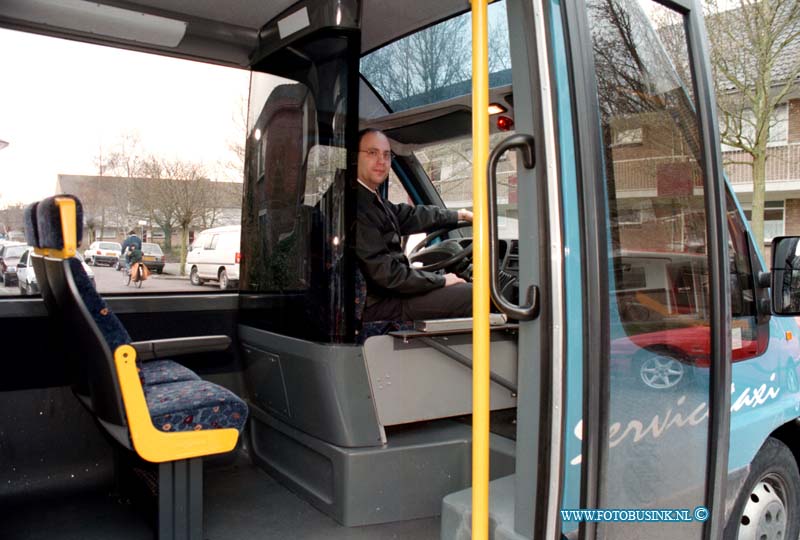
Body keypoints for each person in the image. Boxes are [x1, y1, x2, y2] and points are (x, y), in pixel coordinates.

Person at [356, 128, 474, 322]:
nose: (381, 161)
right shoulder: (356, 207)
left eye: (386, 155)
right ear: (355, 157)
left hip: (384, 295)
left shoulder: (371, 199)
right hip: (377, 305)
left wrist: (457, 215)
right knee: (474, 296)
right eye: (372, 153)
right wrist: (443, 280)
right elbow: (388, 276)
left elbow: (410, 215)